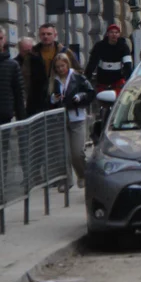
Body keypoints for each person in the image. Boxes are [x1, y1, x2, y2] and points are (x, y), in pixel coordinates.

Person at [49, 51, 94, 188]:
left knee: (77, 152)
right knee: (63, 153)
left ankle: (83, 174)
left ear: (67, 65)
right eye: (57, 67)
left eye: (62, 66)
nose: (60, 69)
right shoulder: (54, 80)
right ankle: (66, 180)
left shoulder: (77, 77)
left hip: (77, 117)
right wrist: (52, 99)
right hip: (60, 119)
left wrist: (80, 97)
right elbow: (48, 97)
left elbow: (90, 92)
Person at [28, 23, 81, 117]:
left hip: (60, 96)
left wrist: (70, 88)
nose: (46, 36)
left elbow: (78, 71)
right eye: (43, 34)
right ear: (39, 35)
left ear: (55, 35)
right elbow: (25, 75)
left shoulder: (65, 52)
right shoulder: (33, 53)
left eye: (49, 34)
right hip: (37, 98)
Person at [84, 24, 133, 93]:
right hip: (102, 80)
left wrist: (129, 79)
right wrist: (86, 77)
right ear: (107, 34)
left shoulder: (124, 47)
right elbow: (92, 63)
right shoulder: (99, 46)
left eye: (116, 32)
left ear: (119, 34)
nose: (114, 34)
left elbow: (128, 64)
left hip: (117, 80)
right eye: (111, 32)